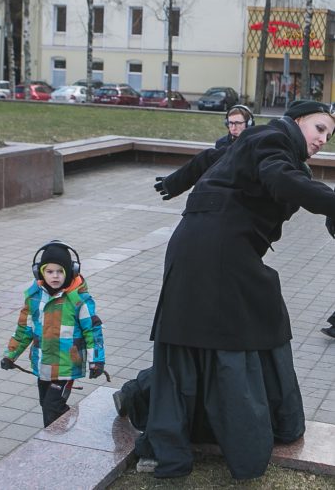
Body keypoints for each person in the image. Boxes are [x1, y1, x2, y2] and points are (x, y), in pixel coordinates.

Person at [135, 100, 335, 480]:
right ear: (296, 121)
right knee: (237, 328)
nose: (323, 139)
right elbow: (281, 179)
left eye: (329, 134)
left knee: (201, 330)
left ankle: (172, 411)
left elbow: (215, 159)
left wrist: (175, 183)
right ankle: (229, 432)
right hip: (217, 249)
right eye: (319, 128)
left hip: (205, 246)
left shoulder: (269, 146)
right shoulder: (273, 139)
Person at [115, 105, 256, 429]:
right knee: (193, 353)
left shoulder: (254, 149)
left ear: (249, 124)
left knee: (200, 351)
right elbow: (198, 166)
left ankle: (137, 393)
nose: (234, 128)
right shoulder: (221, 150)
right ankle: (137, 393)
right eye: (231, 123)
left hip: (225, 249)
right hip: (206, 250)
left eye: (239, 123)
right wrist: (174, 183)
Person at [0, 241, 106, 427]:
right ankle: (56, 438)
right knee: (46, 405)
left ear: (70, 271)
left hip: (66, 366)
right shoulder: (34, 298)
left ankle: (65, 435)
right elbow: (24, 329)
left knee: (52, 406)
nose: (55, 276)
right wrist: (11, 355)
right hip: (44, 364)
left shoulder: (78, 299)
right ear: (40, 272)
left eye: (60, 271)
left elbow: (92, 330)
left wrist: (96, 360)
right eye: (49, 271)